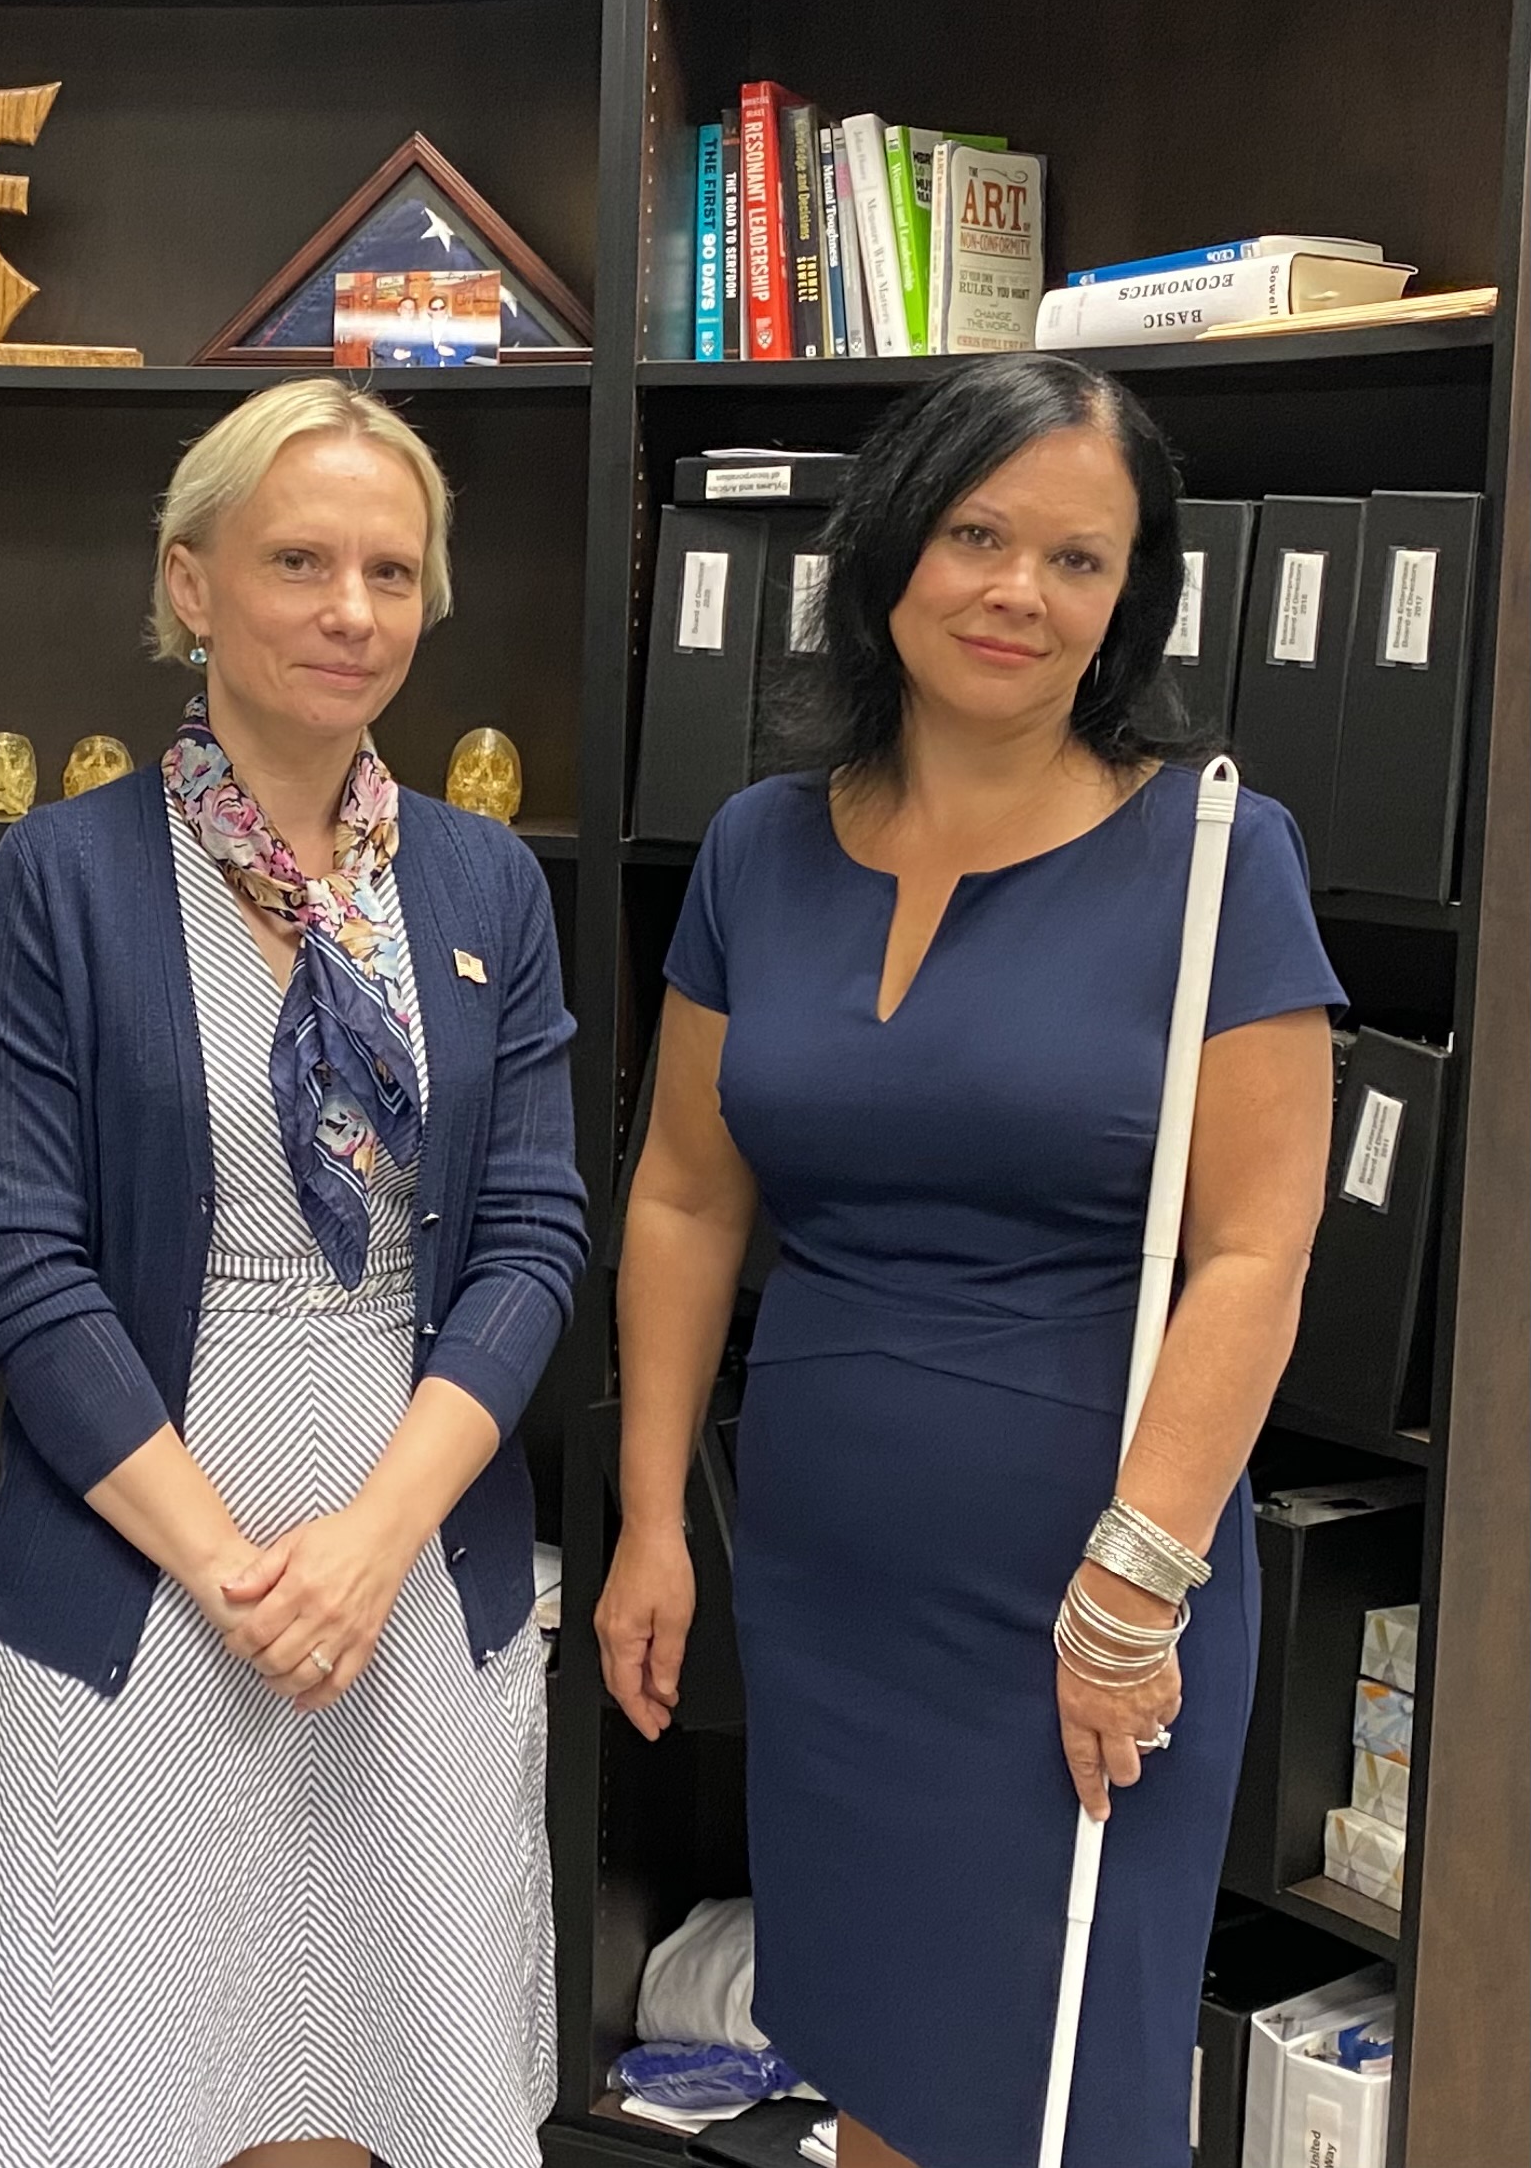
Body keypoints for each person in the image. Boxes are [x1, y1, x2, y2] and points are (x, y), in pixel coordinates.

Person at [593, 354, 1343, 2168]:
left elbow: (1254, 1247)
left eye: (1074, 560)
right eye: (974, 534)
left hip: (1087, 1592)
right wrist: (645, 1520)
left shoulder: (1216, 857)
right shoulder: (760, 852)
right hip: (827, 1573)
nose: (1015, 590)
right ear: (886, 555)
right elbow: (684, 1195)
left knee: (1057, 2078)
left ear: (1124, 602)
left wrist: (1129, 1587)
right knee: (872, 2061)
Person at [0, 376, 588, 2168]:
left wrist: (368, 1546)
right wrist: (230, 1567)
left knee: (372, 2076)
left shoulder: (480, 891)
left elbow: (532, 1235)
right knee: (121, 2086)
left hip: (408, 1554)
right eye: (297, 560)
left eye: (390, 570)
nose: (348, 610)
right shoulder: (59, 878)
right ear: (191, 581)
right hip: (139, 1566)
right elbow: (15, 1259)